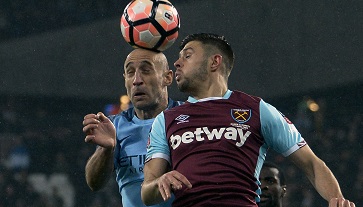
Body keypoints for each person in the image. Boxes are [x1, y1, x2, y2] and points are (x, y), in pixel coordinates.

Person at [140, 33, 355, 207]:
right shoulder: (166, 120)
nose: (176, 63)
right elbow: (147, 193)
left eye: (187, 55)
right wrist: (160, 181)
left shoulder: (257, 109)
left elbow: (312, 163)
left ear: (215, 61)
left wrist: (337, 199)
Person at [82, 48, 182, 207]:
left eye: (146, 70)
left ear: (167, 77)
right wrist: (106, 149)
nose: (137, 80)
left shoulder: (189, 118)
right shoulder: (115, 126)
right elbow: (94, 183)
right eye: (130, 72)